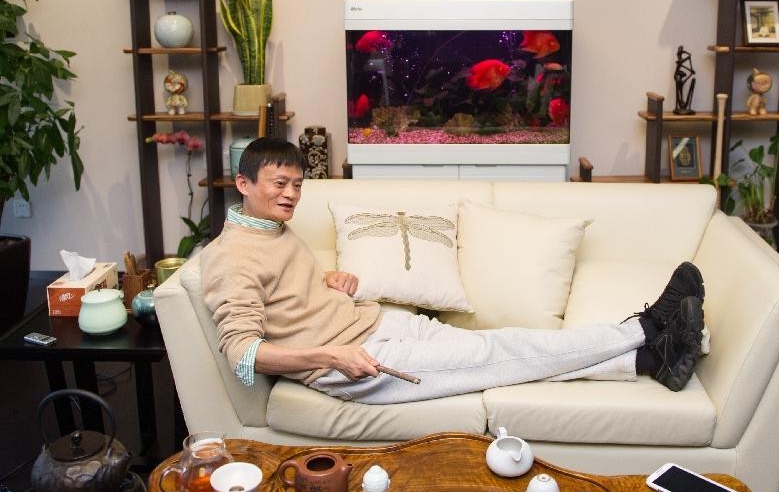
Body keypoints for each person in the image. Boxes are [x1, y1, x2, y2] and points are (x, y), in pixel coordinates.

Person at [201, 137, 706, 405]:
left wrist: (326, 282)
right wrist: (331, 355)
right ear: (243, 184)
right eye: (279, 184)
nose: (290, 194)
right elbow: (242, 355)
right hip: (357, 364)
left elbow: (285, 296)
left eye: (297, 184)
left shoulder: (273, 229)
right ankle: (643, 329)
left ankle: (648, 361)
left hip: (374, 325)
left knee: (506, 351)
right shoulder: (231, 256)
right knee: (496, 353)